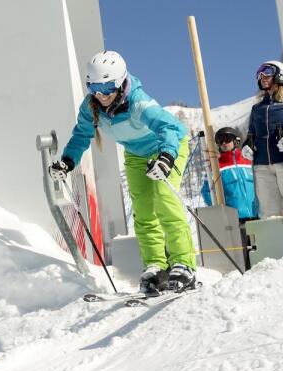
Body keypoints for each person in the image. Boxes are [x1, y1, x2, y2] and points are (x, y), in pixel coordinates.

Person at [48, 51, 197, 296]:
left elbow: (168, 127)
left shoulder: (137, 101)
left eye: (107, 87)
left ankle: (183, 265)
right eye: (94, 87)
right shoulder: (91, 107)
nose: (101, 94)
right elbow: (81, 136)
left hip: (168, 146)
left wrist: (166, 158)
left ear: (119, 82)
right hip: (136, 154)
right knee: (143, 210)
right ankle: (156, 267)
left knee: (165, 199)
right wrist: (67, 162)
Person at [244, 60, 283, 217]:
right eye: (260, 74)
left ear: (281, 75)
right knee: (269, 212)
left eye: (267, 72)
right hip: (262, 166)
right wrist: (247, 146)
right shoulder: (257, 109)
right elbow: (251, 134)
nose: (262, 76)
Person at [200, 126, 257, 221]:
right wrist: (220, 211)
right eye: (220, 140)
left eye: (227, 139)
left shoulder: (249, 161)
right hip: (233, 220)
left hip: (257, 215)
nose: (224, 143)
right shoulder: (216, 167)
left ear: (236, 141)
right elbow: (206, 191)